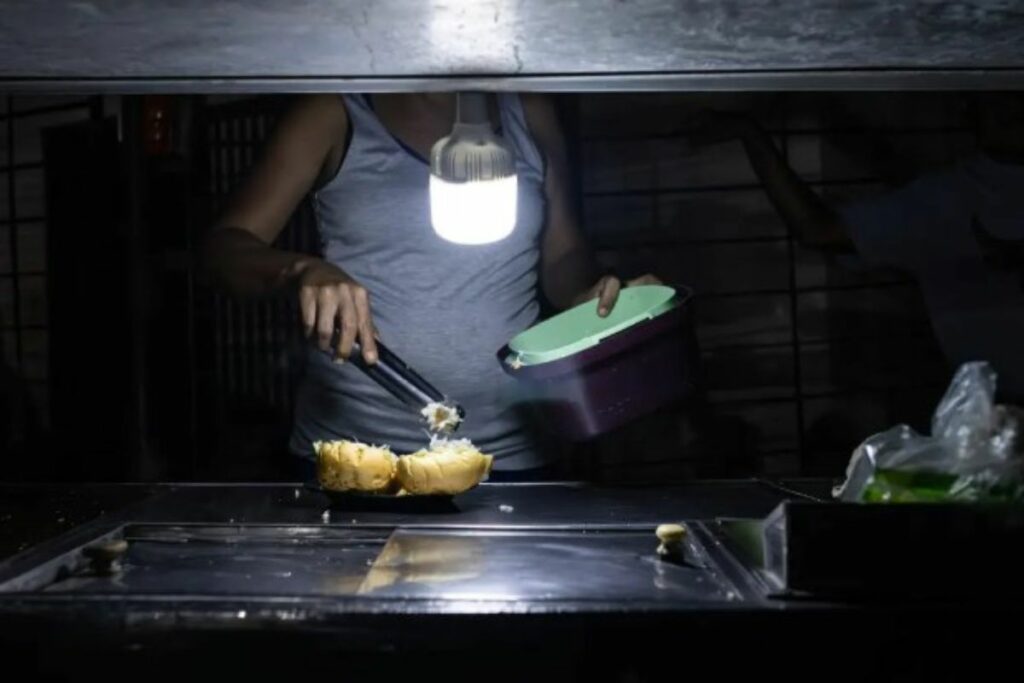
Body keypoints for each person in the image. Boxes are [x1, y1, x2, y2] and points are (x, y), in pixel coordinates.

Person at [203, 93, 658, 479]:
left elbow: (563, 255)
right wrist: (300, 271)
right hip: (360, 459)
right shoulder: (336, 109)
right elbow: (224, 249)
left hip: (513, 457)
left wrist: (592, 297)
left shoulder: (528, 112)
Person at [690, 93, 1024, 400]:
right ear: (973, 113)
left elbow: (820, 231)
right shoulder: (945, 199)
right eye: (996, 100)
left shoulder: (947, 198)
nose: (1009, 108)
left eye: (1013, 97)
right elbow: (819, 230)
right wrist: (751, 134)